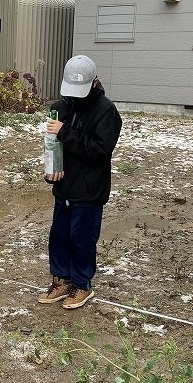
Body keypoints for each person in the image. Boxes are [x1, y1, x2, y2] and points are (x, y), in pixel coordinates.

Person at [38, 55, 122, 309]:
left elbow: (99, 150)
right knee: (59, 235)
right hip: (64, 186)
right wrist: (51, 169)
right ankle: (61, 280)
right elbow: (53, 146)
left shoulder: (106, 111)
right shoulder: (62, 106)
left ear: (94, 82)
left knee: (82, 238)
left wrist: (66, 131)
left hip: (89, 190)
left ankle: (82, 285)